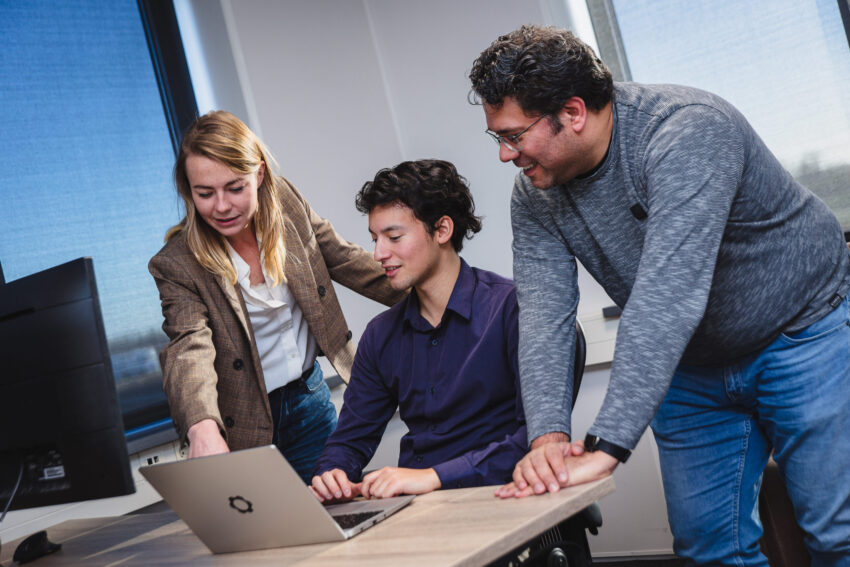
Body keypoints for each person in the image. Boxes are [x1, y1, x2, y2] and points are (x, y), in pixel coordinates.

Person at [468, 24, 850, 566]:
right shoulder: (536, 192)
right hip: (693, 364)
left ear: (573, 112)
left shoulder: (686, 131)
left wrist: (606, 448)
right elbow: (545, 316)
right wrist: (548, 438)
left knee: (838, 535)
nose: (507, 155)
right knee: (709, 549)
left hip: (801, 331)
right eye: (498, 138)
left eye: (514, 134)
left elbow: (667, 295)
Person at [148, 110, 405, 483]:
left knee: (338, 520)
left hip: (310, 405)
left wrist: (437, 287)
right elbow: (189, 348)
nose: (220, 206)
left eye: (235, 188)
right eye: (205, 193)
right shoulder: (178, 264)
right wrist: (202, 428)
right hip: (241, 428)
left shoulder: (287, 205)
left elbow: (347, 260)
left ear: (260, 174)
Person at [311, 159, 525, 502]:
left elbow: (537, 439)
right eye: (375, 239)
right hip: (418, 508)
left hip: (497, 495)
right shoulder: (381, 335)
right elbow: (350, 441)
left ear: (442, 230)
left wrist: (434, 477)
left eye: (394, 237)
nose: (379, 253)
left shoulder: (510, 308)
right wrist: (331, 474)